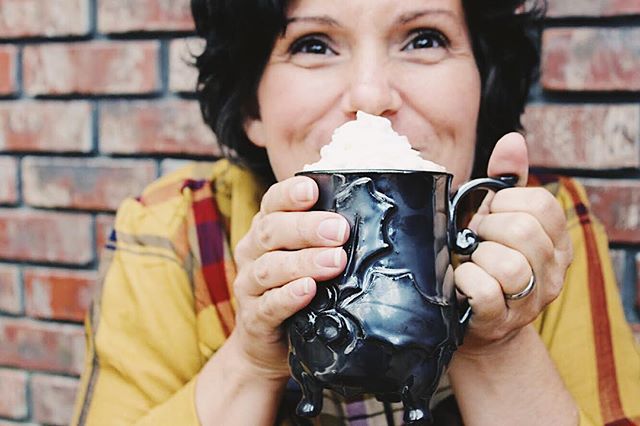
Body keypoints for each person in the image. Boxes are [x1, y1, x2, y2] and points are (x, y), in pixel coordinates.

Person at [71, 0, 640, 424]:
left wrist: (497, 343)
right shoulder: (171, 235)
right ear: (252, 106)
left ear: (481, 86)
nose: (370, 96)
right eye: (313, 44)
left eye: (424, 39)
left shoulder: (540, 235)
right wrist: (249, 360)